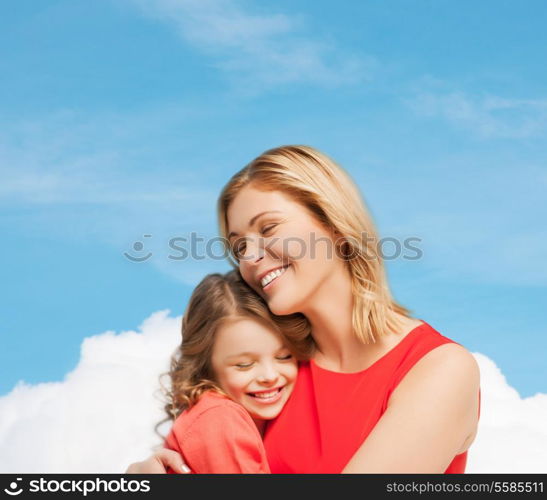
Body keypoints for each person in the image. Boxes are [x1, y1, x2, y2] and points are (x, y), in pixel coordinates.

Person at [127, 145, 481, 474]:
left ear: (334, 224)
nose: (249, 257)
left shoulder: (439, 370)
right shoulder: (277, 373)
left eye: (268, 228)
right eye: (239, 247)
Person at [159, 271, 310, 473]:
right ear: (206, 366)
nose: (270, 376)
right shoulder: (219, 419)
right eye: (244, 364)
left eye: (284, 357)